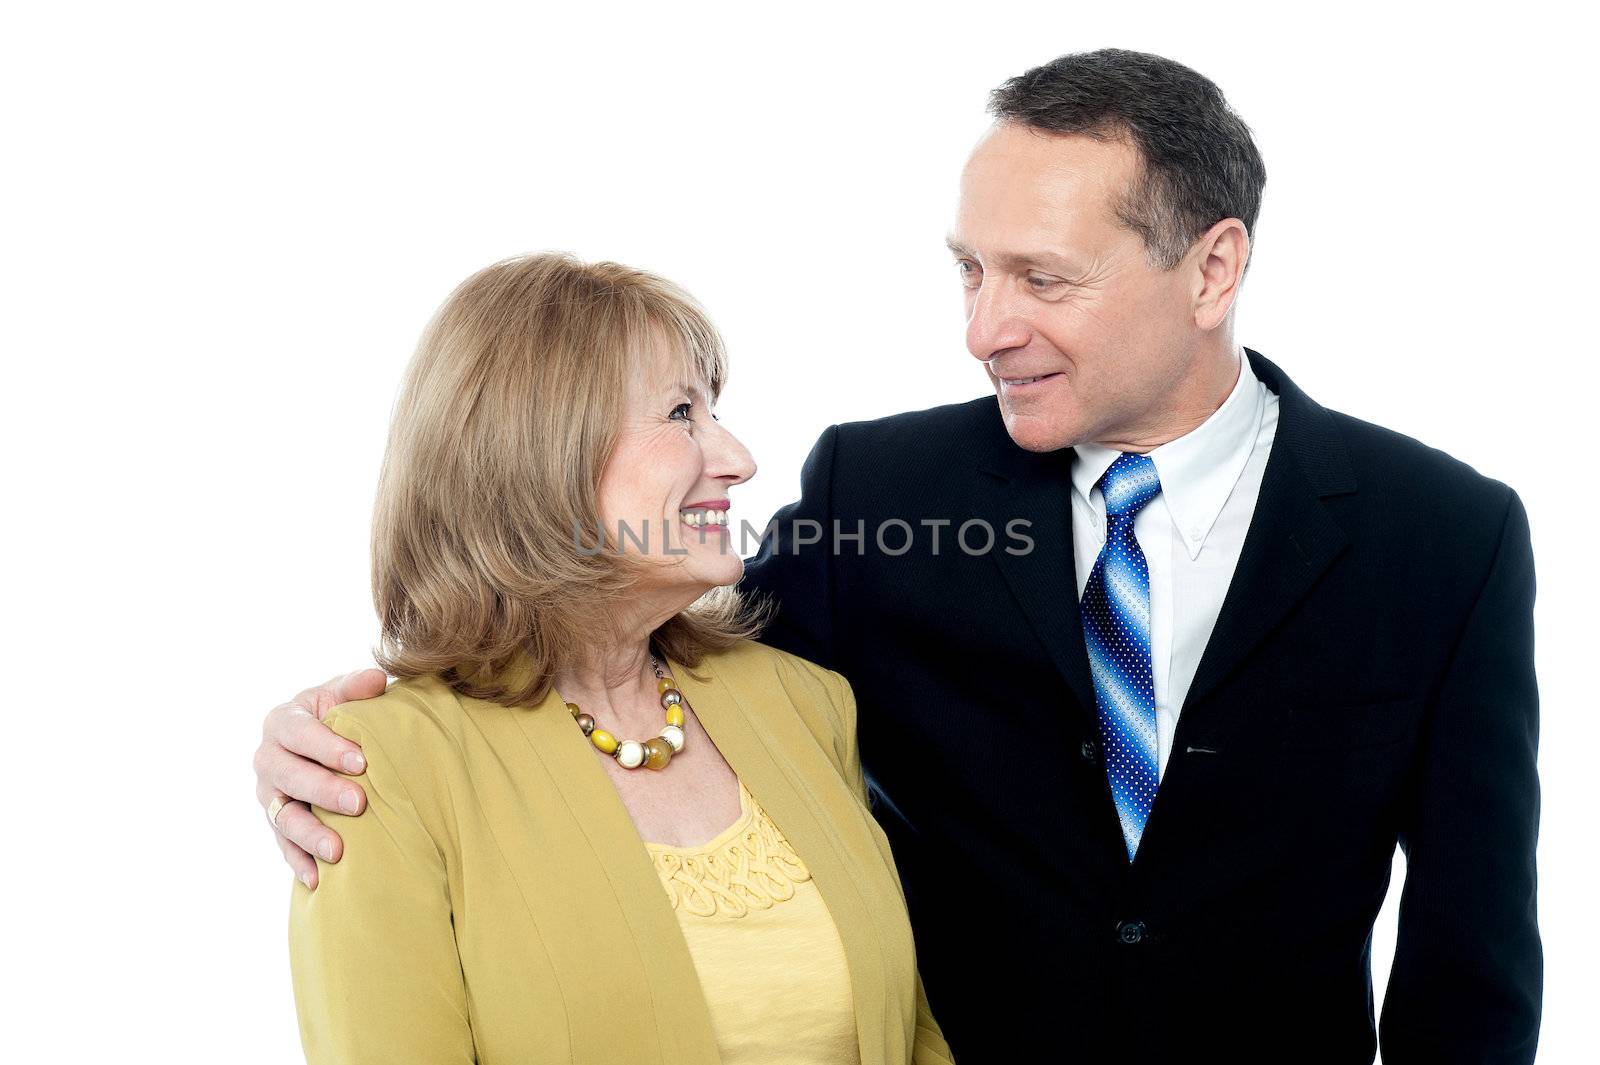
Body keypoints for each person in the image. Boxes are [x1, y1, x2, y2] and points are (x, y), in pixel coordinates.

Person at [257, 50, 1542, 1063]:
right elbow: (618, 631)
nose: (985, 329)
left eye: (1041, 278)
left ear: (1212, 269)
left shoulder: (1444, 537)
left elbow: (1469, 965)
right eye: (968, 271)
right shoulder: (885, 491)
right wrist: (325, 731)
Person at [278, 252, 953, 1064]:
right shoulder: (377, 765)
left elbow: (912, 1035)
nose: (738, 458)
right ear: (538, 450)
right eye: (680, 413)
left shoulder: (803, 702)